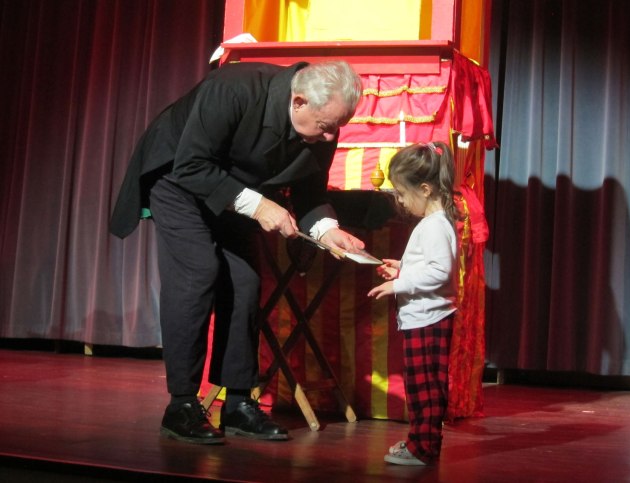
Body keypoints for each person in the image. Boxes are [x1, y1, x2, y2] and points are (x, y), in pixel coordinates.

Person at [110, 60, 365, 444]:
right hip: (179, 178)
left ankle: (238, 404)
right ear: (298, 101)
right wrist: (260, 206)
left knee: (245, 282)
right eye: (326, 126)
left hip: (234, 191)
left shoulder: (323, 127)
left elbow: (310, 191)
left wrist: (328, 230)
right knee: (198, 270)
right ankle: (181, 404)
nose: (331, 136)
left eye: (337, 127)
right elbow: (192, 165)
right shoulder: (234, 87)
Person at [367, 141, 458, 466]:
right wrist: (402, 269)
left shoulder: (435, 225)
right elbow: (430, 266)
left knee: (425, 388)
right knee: (421, 387)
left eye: (403, 194)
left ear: (425, 189)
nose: (401, 201)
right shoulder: (434, 223)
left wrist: (398, 284)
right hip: (424, 317)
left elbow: (440, 271)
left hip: (429, 318)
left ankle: (423, 448)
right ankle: (421, 442)